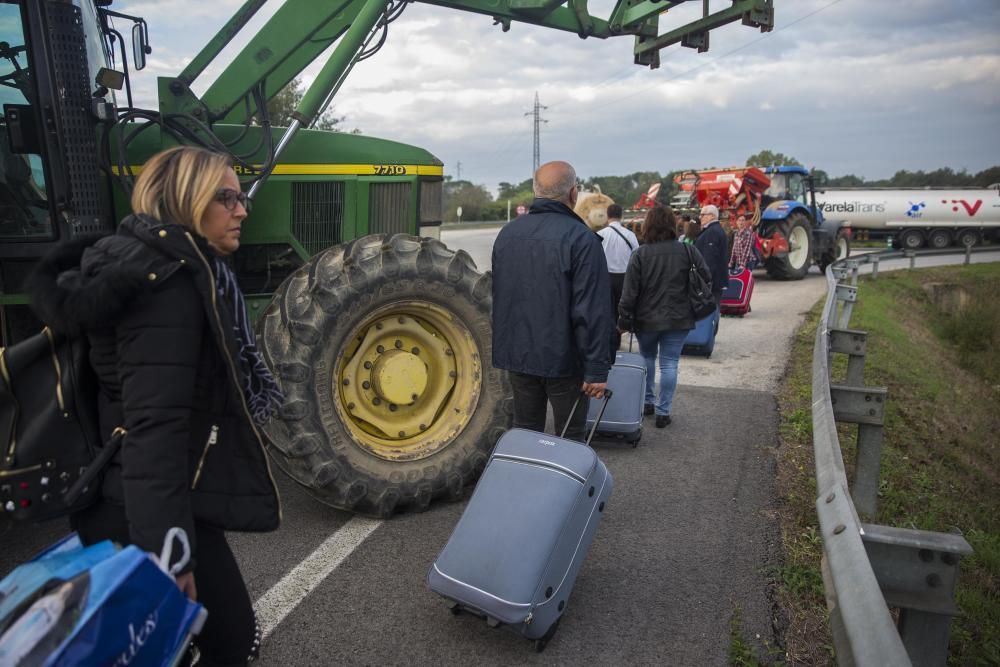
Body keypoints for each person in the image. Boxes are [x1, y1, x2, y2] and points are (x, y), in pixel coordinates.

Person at [28, 146, 282, 666]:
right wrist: (169, 550)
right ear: (185, 201)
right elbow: (155, 423)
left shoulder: (160, 267)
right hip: (147, 501)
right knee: (231, 640)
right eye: (226, 197)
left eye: (241, 198)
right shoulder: (167, 286)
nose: (241, 210)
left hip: (144, 492)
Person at [492, 160, 613, 442]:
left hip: (518, 356)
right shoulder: (582, 239)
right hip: (565, 360)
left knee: (524, 432)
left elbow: (500, 295)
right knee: (570, 438)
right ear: (574, 193)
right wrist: (596, 368)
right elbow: (592, 309)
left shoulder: (507, 235)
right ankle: (564, 485)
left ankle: (526, 484)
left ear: (535, 191)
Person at [618, 206, 711, 428]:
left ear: (647, 226)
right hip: (679, 318)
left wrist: (623, 319)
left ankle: (647, 402)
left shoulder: (640, 254)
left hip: (646, 319)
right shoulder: (688, 251)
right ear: (672, 225)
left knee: (647, 358)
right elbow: (706, 277)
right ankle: (664, 411)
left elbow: (629, 292)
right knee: (670, 364)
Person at [597, 203, 638, 350]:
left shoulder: (601, 235)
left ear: (607, 216)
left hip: (606, 277)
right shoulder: (630, 235)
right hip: (625, 277)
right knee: (622, 310)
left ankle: (608, 341)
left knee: (608, 310)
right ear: (621, 216)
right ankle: (618, 339)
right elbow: (636, 257)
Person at [695, 204, 729, 308]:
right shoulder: (714, 230)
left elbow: (709, 259)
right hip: (714, 281)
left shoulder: (712, 232)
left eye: (703, 214)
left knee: (710, 311)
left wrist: (705, 281)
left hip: (711, 282)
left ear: (712, 216)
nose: (700, 217)